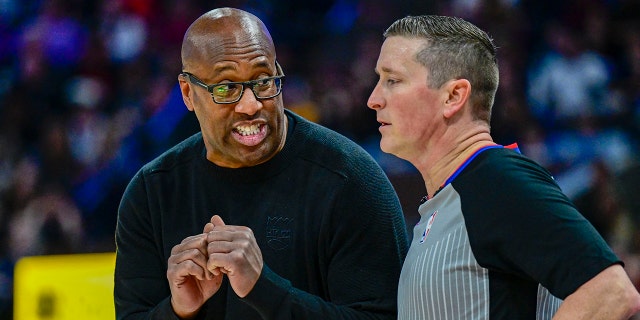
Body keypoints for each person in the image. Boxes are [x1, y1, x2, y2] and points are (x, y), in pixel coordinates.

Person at [113, 7, 409, 320]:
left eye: (263, 81)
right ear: (188, 93)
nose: (251, 104)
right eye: (226, 88)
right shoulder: (151, 192)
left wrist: (262, 289)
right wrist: (178, 311)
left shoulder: (350, 179)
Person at [366, 15, 640, 319]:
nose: (374, 99)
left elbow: (610, 292)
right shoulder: (460, 194)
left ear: (453, 96)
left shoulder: (497, 181)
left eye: (392, 80)